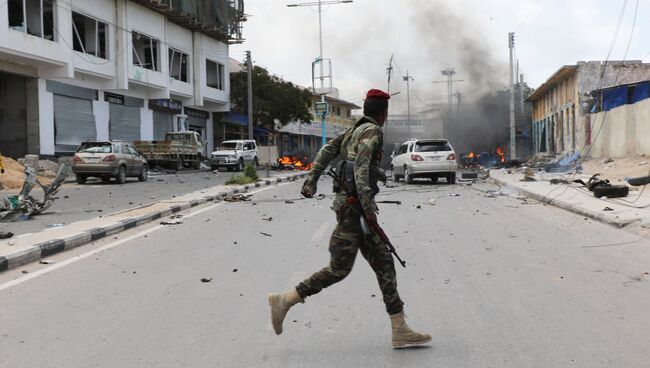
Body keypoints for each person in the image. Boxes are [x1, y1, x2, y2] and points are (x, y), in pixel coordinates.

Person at [268, 89, 431, 348]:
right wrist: (368, 208)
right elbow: (362, 167)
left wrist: (312, 178)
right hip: (354, 209)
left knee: (383, 262)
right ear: (384, 113)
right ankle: (285, 300)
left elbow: (327, 150)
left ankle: (399, 328)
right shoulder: (372, 132)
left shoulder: (355, 129)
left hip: (351, 207)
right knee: (340, 269)